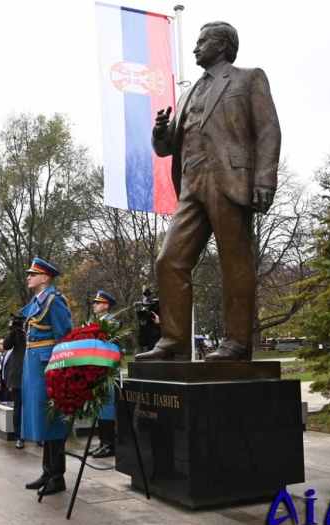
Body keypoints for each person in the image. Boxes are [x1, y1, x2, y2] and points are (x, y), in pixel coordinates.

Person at [137, 20, 281, 362]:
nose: (195, 47)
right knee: (169, 259)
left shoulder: (248, 78)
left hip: (229, 180)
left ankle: (237, 343)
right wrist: (160, 133)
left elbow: (268, 130)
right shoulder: (188, 93)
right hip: (191, 184)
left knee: (235, 263)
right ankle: (174, 342)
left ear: (223, 44)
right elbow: (166, 147)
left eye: (203, 41)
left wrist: (264, 179)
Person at [21, 258, 72, 496]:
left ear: (45, 278)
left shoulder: (55, 301)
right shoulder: (37, 301)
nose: (29, 277)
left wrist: (61, 370)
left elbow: (65, 337)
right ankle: (47, 472)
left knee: (51, 421)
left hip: (48, 367)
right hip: (34, 366)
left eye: (34, 274)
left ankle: (57, 476)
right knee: (42, 420)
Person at [89, 291, 118, 459]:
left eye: (98, 302)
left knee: (107, 407)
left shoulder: (111, 322)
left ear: (106, 305)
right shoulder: (98, 321)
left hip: (107, 370)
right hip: (98, 369)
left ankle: (109, 444)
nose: (94, 305)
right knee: (99, 407)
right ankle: (102, 442)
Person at [2, 316, 26, 448]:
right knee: (18, 408)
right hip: (18, 375)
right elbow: (6, 345)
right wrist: (12, 329)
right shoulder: (16, 335)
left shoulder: (31, 332)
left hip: (32, 372)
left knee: (35, 406)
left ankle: (39, 436)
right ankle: (19, 436)